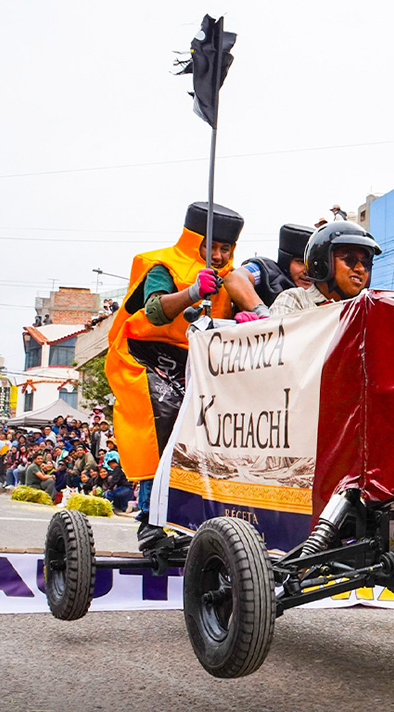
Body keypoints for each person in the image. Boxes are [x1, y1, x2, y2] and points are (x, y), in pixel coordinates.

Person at [106, 201, 244, 549]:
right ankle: (150, 524)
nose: (216, 254)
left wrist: (250, 315)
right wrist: (192, 292)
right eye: (210, 245)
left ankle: (194, 522)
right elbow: (154, 311)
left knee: (210, 435)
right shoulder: (164, 265)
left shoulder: (234, 278)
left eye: (224, 248)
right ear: (192, 238)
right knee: (165, 425)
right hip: (148, 357)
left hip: (199, 362)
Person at [270, 220, 382, 315]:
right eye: (350, 260)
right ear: (323, 262)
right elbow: (281, 339)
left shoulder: (366, 310)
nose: (360, 269)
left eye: (366, 263)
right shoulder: (295, 299)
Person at [223, 223, 315, 321]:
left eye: (313, 264)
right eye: (300, 262)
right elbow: (235, 279)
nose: (307, 271)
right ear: (286, 260)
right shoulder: (266, 270)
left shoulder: (324, 289)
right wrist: (262, 312)